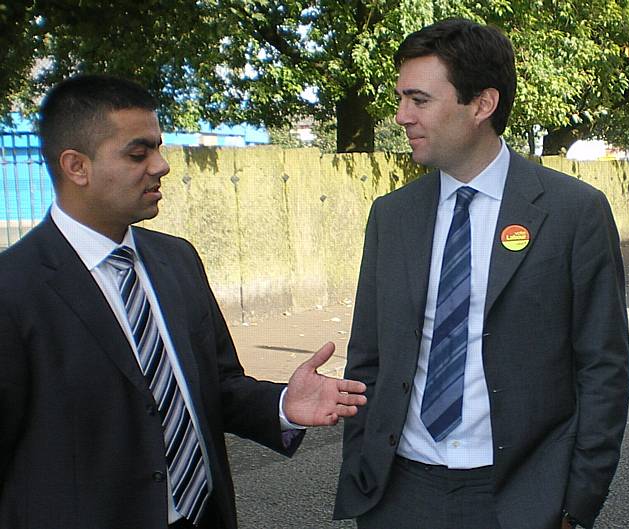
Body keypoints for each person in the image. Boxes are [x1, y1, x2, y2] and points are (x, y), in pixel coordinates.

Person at [0, 74, 367, 529]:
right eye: (139, 153)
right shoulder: (14, 289)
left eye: (158, 147)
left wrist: (282, 405)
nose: (161, 166)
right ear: (77, 167)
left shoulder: (176, 259)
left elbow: (217, 385)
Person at [334, 18, 629, 529]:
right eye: (401, 98)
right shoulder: (392, 214)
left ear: (482, 105)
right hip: (398, 492)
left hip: (519, 496)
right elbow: (368, 357)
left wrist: (576, 501)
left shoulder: (572, 212)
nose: (402, 115)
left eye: (419, 99)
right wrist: (363, 466)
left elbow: (603, 367)